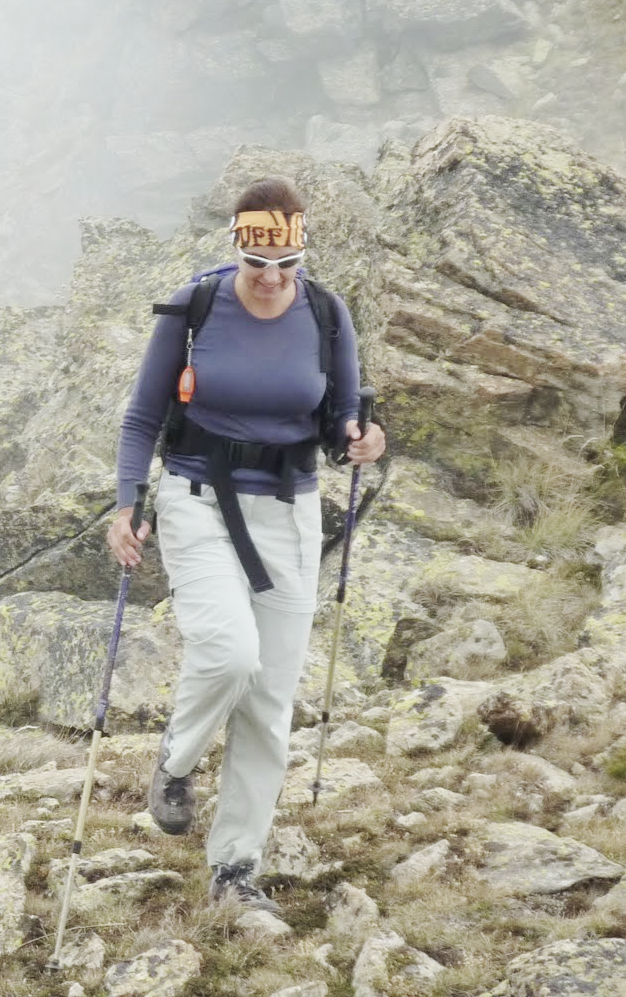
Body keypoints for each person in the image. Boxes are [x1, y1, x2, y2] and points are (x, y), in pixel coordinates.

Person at [106, 176, 385, 913]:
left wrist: (363, 440)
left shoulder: (326, 314)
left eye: (285, 265)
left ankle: (235, 871)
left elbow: (343, 417)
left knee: (268, 702)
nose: (270, 278)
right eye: (257, 263)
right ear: (237, 247)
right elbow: (143, 417)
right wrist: (127, 504)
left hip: (290, 511)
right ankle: (177, 761)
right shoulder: (196, 306)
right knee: (229, 653)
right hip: (196, 499)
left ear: (301, 254)